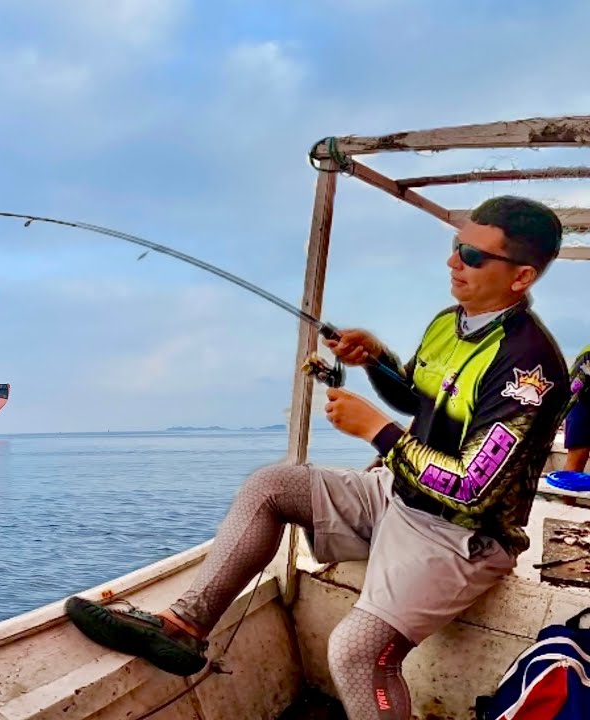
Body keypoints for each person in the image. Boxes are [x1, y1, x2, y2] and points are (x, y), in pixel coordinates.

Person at [65, 196, 570, 720]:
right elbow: (418, 397)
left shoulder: (528, 367)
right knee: (272, 485)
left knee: (357, 653)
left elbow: (473, 486)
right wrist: (376, 359)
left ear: (521, 277)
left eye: (472, 254)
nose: (453, 261)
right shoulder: (451, 321)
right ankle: (183, 626)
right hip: (398, 493)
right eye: (454, 246)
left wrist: (376, 431)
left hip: (461, 534)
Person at [562, 343, 590, 472]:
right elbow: (571, 390)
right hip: (582, 404)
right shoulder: (588, 355)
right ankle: (568, 491)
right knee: (576, 459)